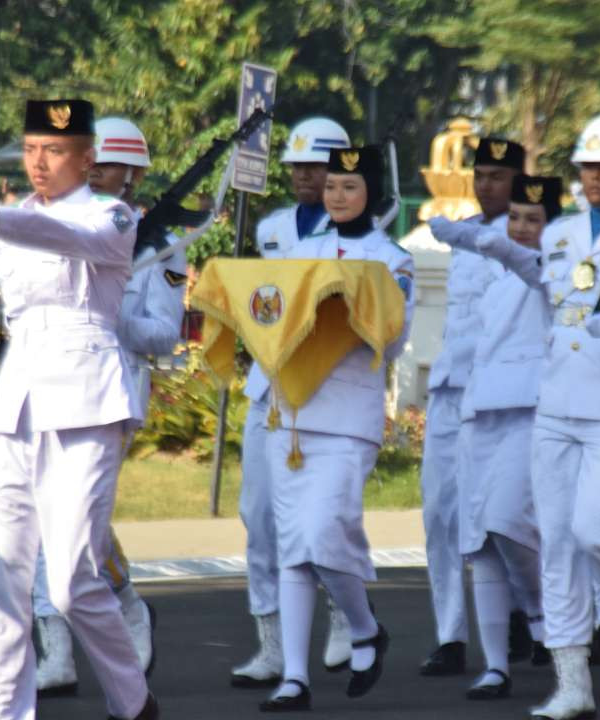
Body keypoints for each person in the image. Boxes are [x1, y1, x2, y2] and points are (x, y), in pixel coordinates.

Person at [434, 113, 600, 719]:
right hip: (557, 406)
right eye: (587, 167)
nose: (595, 178)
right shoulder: (562, 234)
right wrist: (491, 242)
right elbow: (550, 287)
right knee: (558, 547)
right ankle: (571, 684)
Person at [0, 98, 158, 720]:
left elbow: (65, 235)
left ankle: (133, 702)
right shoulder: (10, 217)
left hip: (86, 399)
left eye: (54, 150)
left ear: (88, 158)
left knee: (72, 581)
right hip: (19, 400)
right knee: (6, 580)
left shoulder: (112, 215)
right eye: (32, 149)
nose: (39, 162)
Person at [259, 145, 415, 712]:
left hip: (348, 416)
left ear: (371, 193)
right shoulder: (302, 250)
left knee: (325, 533)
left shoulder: (392, 258)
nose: (338, 196)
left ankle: (363, 624)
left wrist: (351, 306)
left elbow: (394, 342)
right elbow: (270, 312)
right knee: (294, 550)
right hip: (292, 414)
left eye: (350, 187)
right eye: (332, 186)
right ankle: (294, 678)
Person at [31, 116, 181, 696]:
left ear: (135, 176)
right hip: (54, 385)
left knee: (68, 520)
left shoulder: (159, 244)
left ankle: (111, 616)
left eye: (115, 167)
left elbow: (164, 334)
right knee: (55, 516)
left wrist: (108, 312)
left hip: (115, 391)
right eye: (95, 163)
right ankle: (74, 637)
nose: (100, 174)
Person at [231, 116, 354, 688]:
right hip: (268, 386)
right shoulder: (275, 227)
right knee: (258, 517)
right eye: (298, 166)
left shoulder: (354, 230)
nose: (306, 175)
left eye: (317, 165)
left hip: (321, 392)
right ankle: (271, 643)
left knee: (317, 520)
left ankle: (341, 613)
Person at [451, 174, 562, 700]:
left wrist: (496, 245)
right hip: (481, 412)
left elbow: (534, 270)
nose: (520, 228)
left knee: (508, 523)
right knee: (481, 543)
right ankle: (496, 664)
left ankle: (540, 610)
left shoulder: (556, 271)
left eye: (534, 220)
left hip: (530, 411)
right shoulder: (494, 280)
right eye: (515, 217)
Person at [417, 136, 523, 678]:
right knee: (440, 513)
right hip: (450, 384)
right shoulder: (462, 234)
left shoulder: (529, 237)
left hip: (500, 396)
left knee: (501, 520)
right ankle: (450, 635)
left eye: (498, 176)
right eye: (480, 175)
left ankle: (527, 614)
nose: (486, 185)